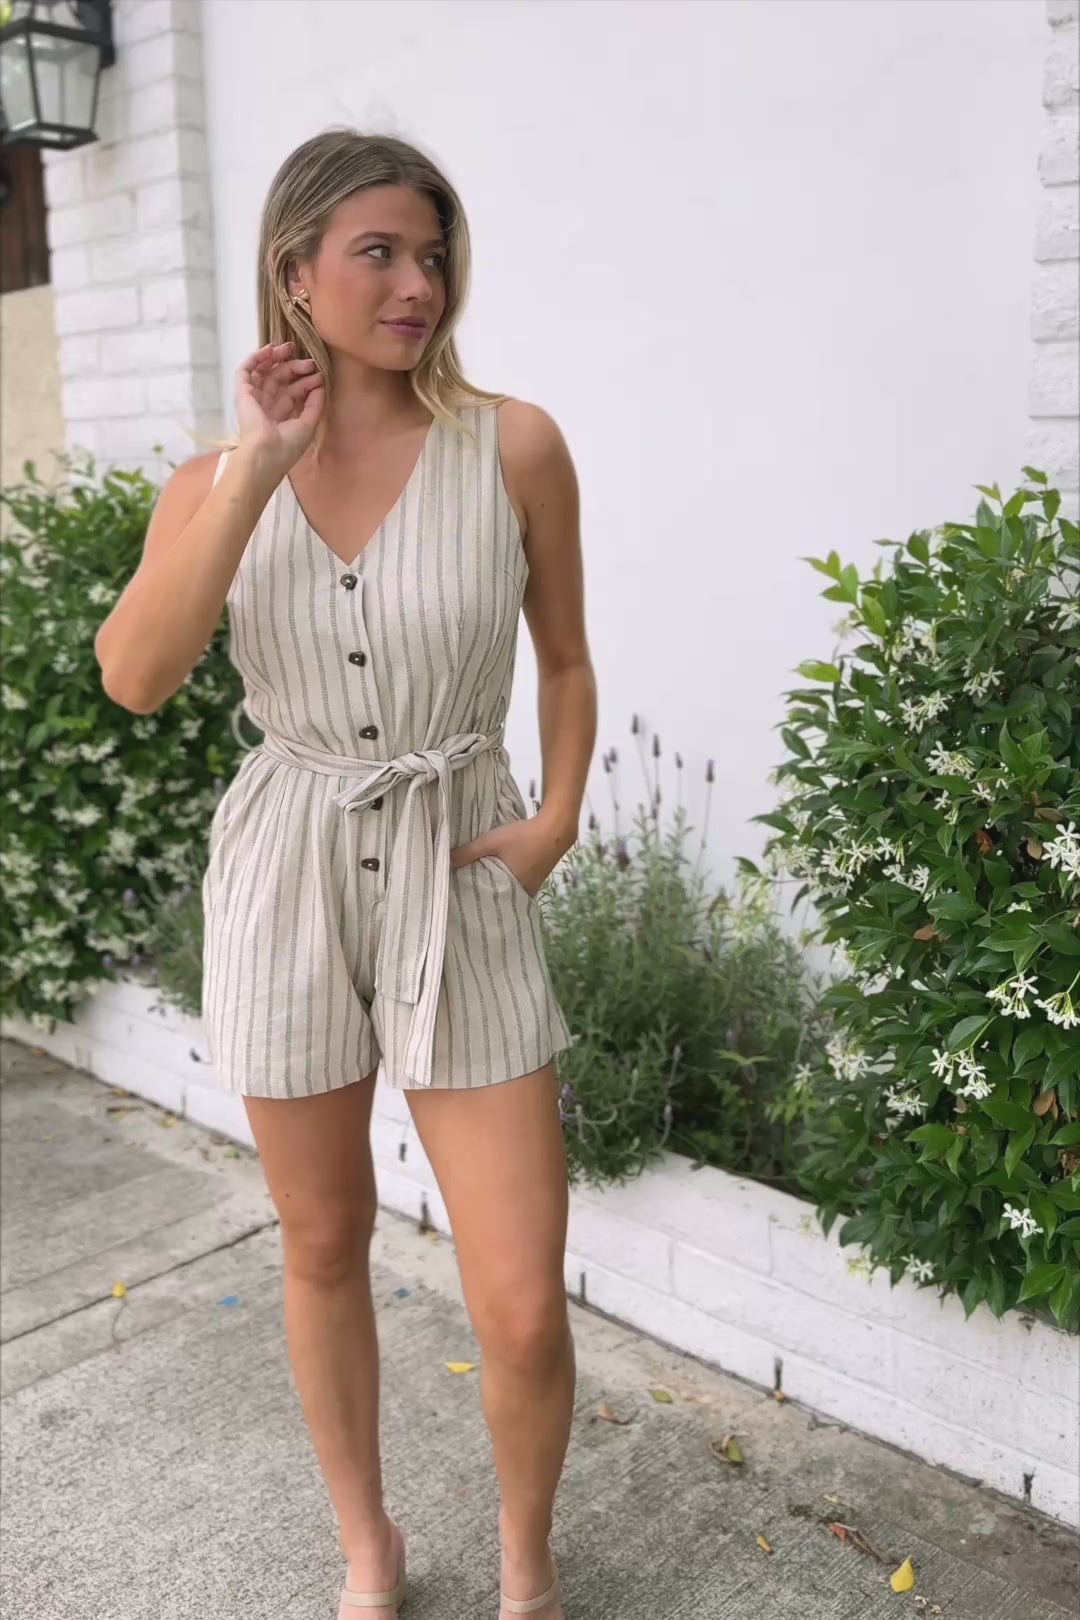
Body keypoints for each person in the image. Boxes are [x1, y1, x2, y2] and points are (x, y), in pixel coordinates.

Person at [94, 128, 596, 1620]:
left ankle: (524, 1565)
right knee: (322, 1243)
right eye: (377, 251)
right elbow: (137, 675)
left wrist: (558, 818)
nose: (416, 283)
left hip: (463, 865)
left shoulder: (513, 445)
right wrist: (256, 468)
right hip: (289, 874)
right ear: (295, 272)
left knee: (521, 1304)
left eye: (432, 254)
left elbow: (566, 659)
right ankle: (366, 1545)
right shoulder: (214, 479)